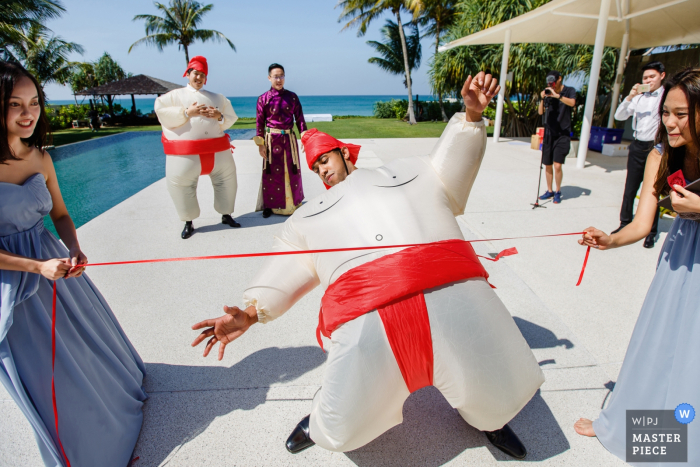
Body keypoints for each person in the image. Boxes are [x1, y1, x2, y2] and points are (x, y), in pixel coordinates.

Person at [192, 72, 544, 459]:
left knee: (490, 384)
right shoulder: (308, 218)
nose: (323, 170)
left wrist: (471, 117)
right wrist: (249, 313)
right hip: (368, 319)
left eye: (325, 159)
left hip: (452, 296)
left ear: (344, 152)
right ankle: (321, 423)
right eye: (316, 168)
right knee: (343, 419)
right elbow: (285, 269)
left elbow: (451, 164)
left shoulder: (411, 171)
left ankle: (491, 419)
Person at [0, 63, 146, 466]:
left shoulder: (41, 157)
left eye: (34, 103)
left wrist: (74, 247)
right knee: (46, 375)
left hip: (56, 268)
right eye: (15, 105)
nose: (28, 114)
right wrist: (36, 267)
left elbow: (62, 214)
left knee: (82, 351)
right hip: (15, 283)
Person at [574, 68, 700, 465]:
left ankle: (688, 442)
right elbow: (643, 223)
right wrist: (610, 240)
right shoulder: (661, 154)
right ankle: (640, 431)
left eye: (681, 114)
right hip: (680, 258)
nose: (670, 122)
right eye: (666, 112)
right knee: (661, 343)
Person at [154, 55, 240, 239]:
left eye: (202, 75)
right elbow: (160, 112)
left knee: (227, 183)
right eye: (196, 74)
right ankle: (188, 222)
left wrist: (219, 116)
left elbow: (231, 118)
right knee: (182, 188)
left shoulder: (218, 98)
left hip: (218, 154)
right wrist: (186, 112)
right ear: (188, 74)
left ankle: (226, 215)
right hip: (185, 156)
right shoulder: (172, 97)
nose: (199, 78)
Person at [612, 61, 666, 248]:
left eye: (652, 76)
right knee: (630, 188)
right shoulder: (638, 98)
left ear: (662, 76)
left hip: (656, 147)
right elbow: (619, 116)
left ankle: (651, 231)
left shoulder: (666, 96)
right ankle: (624, 224)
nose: (648, 80)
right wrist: (630, 96)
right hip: (637, 146)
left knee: (653, 191)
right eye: (645, 78)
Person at [254, 63, 307, 218]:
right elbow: (259, 123)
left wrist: (304, 137)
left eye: (281, 76)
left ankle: (294, 203)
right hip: (272, 140)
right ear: (269, 78)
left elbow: (300, 119)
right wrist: (260, 145)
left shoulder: (292, 97)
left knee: (292, 170)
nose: (279, 79)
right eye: (276, 76)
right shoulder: (263, 99)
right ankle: (269, 206)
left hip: (289, 139)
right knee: (271, 173)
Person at [537, 70, 577, 204]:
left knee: (557, 165)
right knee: (547, 165)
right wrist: (542, 98)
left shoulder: (569, 91)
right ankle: (549, 190)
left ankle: (558, 191)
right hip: (549, 134)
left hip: (562, 134)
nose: (551, 83)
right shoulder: (548, 93)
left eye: (553, 80)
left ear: (559, 79)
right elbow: (540, 112)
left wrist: (557, 96)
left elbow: (572, 103)